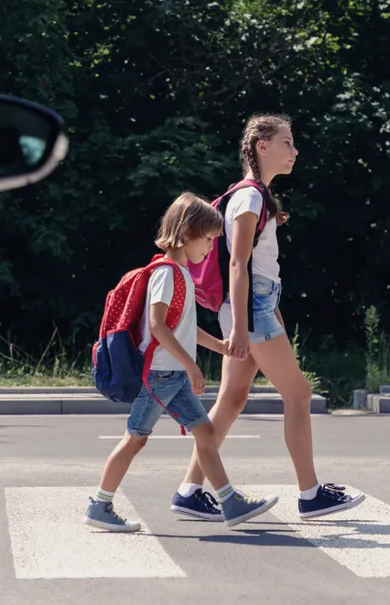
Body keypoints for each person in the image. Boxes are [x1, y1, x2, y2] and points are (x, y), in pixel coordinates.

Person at [169, 114, 365, 521]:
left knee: (232, 399)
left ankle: (189, 491)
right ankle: (310, 494)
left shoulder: (254, 196)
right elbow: (238, 264)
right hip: (249, 308)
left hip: (256, 306)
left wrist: (263, 312)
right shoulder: (251, 197)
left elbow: (256, 267)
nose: (294, 151)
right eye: (287, 143)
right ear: (262, 145)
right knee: (299, 395)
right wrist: (243, 326)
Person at [85, 192, 277, 532]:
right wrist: (191, 365)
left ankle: (230, 502)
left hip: (170, 375)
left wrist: (219, 346)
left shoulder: (181, 274)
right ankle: (100, 504)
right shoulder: (166, 273)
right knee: (135, 439)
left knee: (204, 432)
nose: (209, 249)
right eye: (207, 240)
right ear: (186, 233)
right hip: (159, 375)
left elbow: (183, 327)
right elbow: (158, 326)